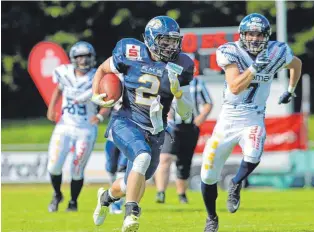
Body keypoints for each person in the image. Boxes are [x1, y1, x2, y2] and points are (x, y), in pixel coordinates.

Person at [200, 13, 302, 231]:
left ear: (266, 36)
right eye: (250, 34)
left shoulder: (277, 51)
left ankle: (236, 183)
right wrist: (255, 67)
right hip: (228, 119)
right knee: (208, 175)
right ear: (242, 35)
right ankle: (211, 218)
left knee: (254, 152)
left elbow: (297, 64)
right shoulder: (230, 51)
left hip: (253, 116)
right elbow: (235, 87)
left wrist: (290, 91)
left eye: (259, 34)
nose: (254, 38)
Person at [91, 16, 194, 232]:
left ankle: (106, 197)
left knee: (131, 183)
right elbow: (102, 69)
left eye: (174, 41)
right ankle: (131, 214)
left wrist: (179, 94)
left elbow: (186, 113)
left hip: (156, 130)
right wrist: (95, 94)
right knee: (142, 156)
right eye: (165, 41)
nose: (170, 46)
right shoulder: (131, 52)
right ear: (150, 39)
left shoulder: (180, 65)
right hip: (125, 121)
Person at [47, 41, 110, 212]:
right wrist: (52, 107)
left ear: (92, 57)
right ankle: (57, 194)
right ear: (73, 58)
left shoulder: (98, 76)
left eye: (86, 56)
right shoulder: (64, 72)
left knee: (77, 169)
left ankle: (73, 201)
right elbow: (59, 89)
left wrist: (99, 116)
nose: (83, 60)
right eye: (79, 56)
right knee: (53, 166)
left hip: (85, 128)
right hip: (64, 125)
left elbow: (110, 99)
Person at [155, 76, 213, 204]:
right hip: (170, 127)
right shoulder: (166, 81)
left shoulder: (197, 82)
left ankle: (182, 194)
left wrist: (202, 116)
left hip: (190, 127)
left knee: (184, 163)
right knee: (165, 158)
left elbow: (208, 102)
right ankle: (160, 192)